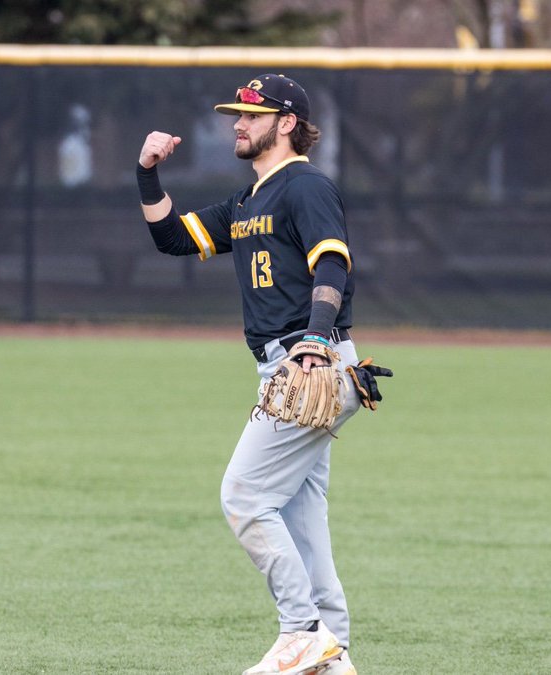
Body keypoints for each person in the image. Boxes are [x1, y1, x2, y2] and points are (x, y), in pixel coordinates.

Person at [136, 74, 368, 675]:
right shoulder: (247, 201)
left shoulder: (305, 186)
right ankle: (332, 656)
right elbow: (171, 239)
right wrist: (148, 172)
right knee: (300, 518)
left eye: (251, 114)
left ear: (286, 123)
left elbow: (333, 262)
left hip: (309, 361)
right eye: (236, 113)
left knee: (243, 496)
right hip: (288, 367)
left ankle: (300, 629)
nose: (237, 123)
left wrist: (315, 338)